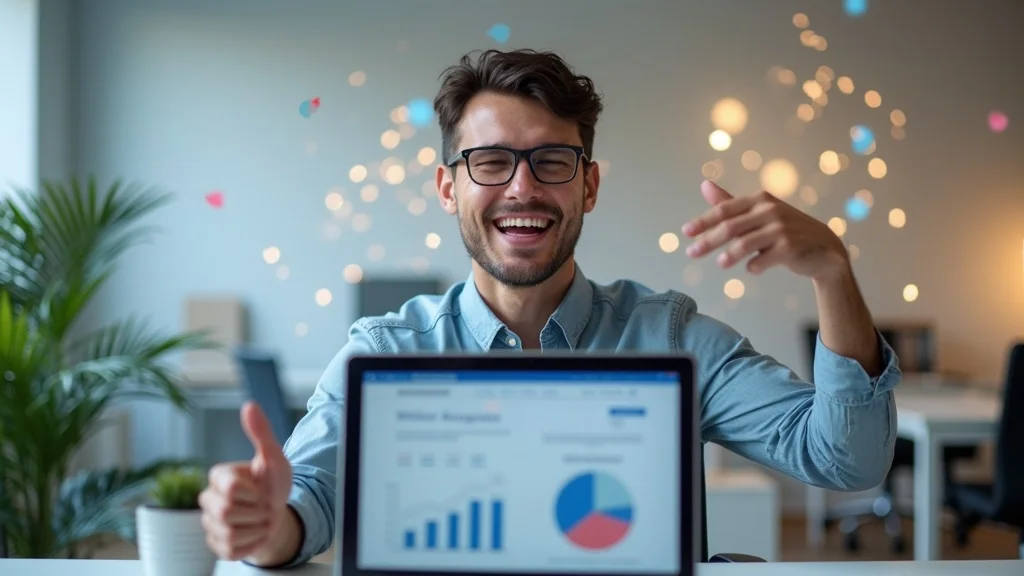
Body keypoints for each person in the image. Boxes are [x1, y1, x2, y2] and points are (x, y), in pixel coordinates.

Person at [198, 49, 901, 567]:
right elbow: (309, 499)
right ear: (448, 188)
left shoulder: (674, 337)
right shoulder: (385, 351)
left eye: (551, 162)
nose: (522, 188)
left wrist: (834, 273)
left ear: (588, 186)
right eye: (491, 162)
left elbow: (849, 461)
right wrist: (270, 528)